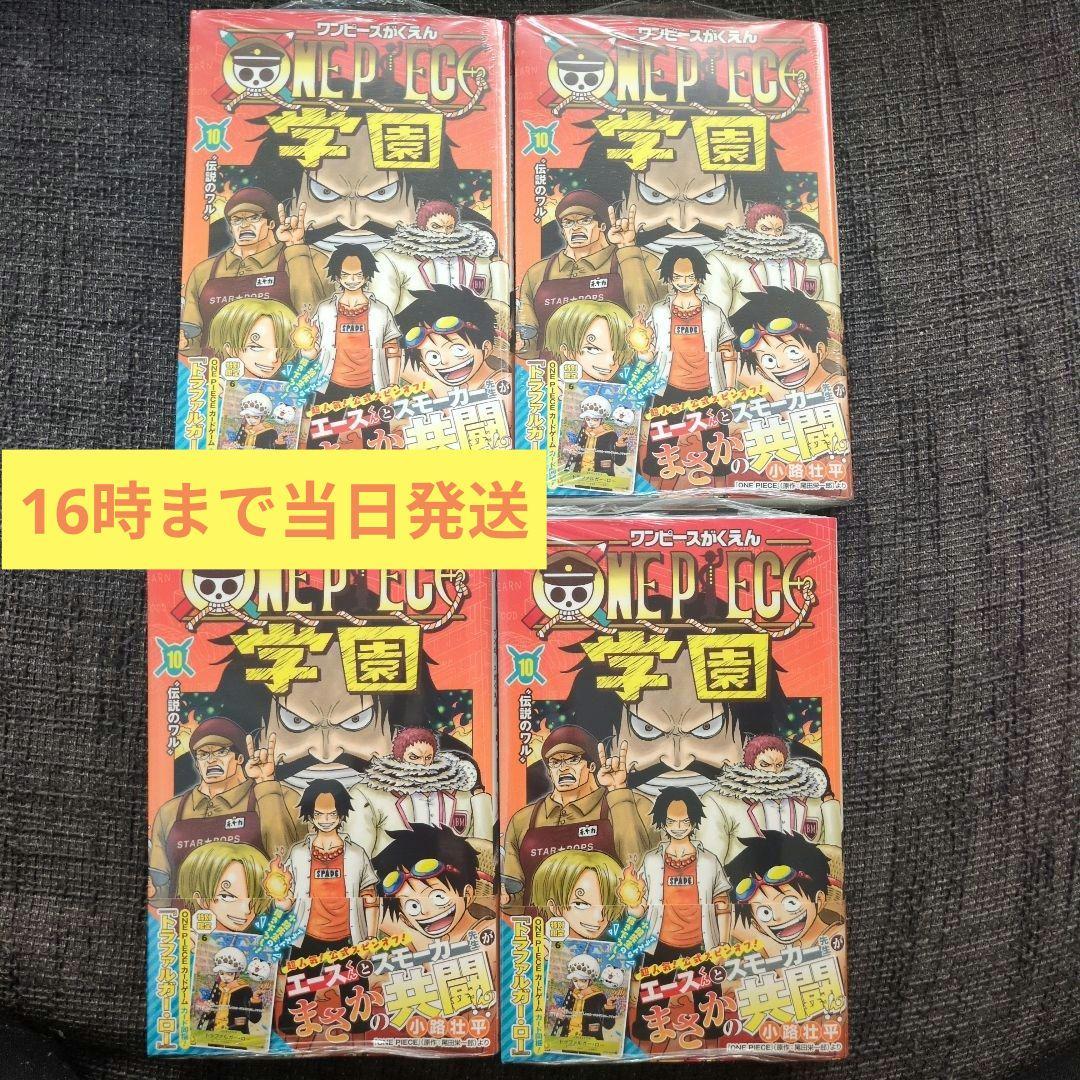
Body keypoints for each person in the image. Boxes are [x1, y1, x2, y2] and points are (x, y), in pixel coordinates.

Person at [148, 719, 303, 904]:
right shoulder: (169, 812)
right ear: (196, 763)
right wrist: (153, 892)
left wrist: (266, 786)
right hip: (186, 921)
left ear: (240, 758)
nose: (211, 760)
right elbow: (162, 889)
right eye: (203, 754)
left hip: (256, 920)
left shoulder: (281, 796)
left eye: (221, 752)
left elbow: (292, 866)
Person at [501, 725, 655, 907]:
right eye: (555, 762)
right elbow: (516, 895)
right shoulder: (522, 820)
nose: (563, 768)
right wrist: (506, 899)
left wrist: (619, 793)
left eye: (573, 759)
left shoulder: (634, 805)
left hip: (608, 923)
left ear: (591, 766)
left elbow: (643, 873)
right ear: (549, 771)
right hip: (539, 924)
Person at [279, 779, 380, 1033]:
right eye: (319, 814)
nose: (325, 820)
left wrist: (371, 938)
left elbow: (370, 898)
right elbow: (287, 900)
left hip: (349, 936)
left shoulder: (356, 854)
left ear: (341, 814)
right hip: (307, 936)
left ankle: (358, 1032)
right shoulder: (298, 853)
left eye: (332, 814)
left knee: (358, 1014)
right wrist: (280, 897)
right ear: (310, 815)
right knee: (293, 1013)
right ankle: (293, 1031)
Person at [180, 187, 329, 354]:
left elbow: (317, 318)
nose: (244, 225)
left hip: (283, 368)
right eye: (237, 220)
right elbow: (193, 339)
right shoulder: (203, 271)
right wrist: (185, 343)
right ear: (230, 227)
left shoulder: (309, 258)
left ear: (271, 223)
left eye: (254, 218)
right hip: (216, 369)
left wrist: (296, 249)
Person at [517, 190, 662, 359]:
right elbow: (529, 339)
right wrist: (521, 343)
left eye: (585, 220)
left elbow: (650, 319)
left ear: (602, 226)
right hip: (553, 373)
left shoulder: (639, 259)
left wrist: (627, 249)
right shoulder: (537, 273)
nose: (576, 227)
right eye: (568, 223)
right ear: (562, 230)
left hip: (618, 371)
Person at [699, 734, 842, 876]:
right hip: (747, 885)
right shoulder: (719, 802)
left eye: (778, 765)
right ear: (750, 764)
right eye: (765, 765)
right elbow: (709, 865)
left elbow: (833, 856)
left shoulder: (812, 802)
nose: (773, 771)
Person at [344, 726, 494, 860]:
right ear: (399, 756)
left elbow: (483, 850)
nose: (422, 764)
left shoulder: (463, 796)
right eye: (414, 757)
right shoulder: (367, 794)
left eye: (428, 758)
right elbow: (357, 855)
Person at [626, 787, 731, 960]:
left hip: (702, 945)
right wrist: (631, 899)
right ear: (663, 823)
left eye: (685, 821)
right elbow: (639, 910)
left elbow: (722, 904)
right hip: (658, 945)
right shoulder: (651, 861)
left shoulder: (709, 861)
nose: (678, 827)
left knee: (704, 980)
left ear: (694, 822)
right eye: (671, 822)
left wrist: (724, 943)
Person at [373, 199, 510, 317]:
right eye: (436, 226)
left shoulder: (482, 262)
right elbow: (382, 314)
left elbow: (499, 310)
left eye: (449, 227)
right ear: (423, 225)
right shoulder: (392, 259)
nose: (443, 232)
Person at [302, 243, 402, 400]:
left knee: (374, 418)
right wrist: (305, 345)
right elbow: (312, 352)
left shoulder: (381, 311)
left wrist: (393, 385)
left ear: (367, 276)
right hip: (329, 385)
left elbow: (393, 350)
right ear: (337, 276)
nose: (352, 280)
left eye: (358, 275)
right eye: (345, 275)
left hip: (372, 386)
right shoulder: (324, 310)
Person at [725, 830, 840, 958]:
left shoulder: (837, 938)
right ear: (757, 926)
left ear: (819, 900)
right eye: (765, 912)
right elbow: (725, 913)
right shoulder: (772, 943)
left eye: (791, 903)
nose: (776, 917)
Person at [374, 823, 494, 944]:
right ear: (405, 920)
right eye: (413, 906)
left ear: (467, 894)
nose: (425, 911)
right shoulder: (432, 940)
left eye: (438, 897)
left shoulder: (490, 932)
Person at [729, 286, 844, 401]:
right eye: (769, 360)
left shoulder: (838, 387)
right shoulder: (780, 392)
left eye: (793, 352)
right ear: (761, 371)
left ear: (820, 351)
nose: (780, 364)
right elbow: (731, 359)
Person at [397, 285, 504, 392]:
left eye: (459, 349)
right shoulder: (446, 389)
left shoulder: (503, 384)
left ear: (486, 347)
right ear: (425, 368)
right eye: (433, 357)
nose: (444, 361)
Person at [530, 849, 626, 940]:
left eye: (607, 905)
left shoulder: (615, 947)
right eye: (581, 904)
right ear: (555, 908)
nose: (599, 918)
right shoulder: (542, 947)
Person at [551, 953, 617, 1040]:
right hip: (568, 1041)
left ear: (590, 980)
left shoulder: (598, 997)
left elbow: (608, 1025)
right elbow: (564, 1022)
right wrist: (561, 1016)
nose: (578, 984)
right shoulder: (571, 995)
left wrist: (609, 1007)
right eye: (575, 980)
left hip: (590, 1042)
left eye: (583, 980)